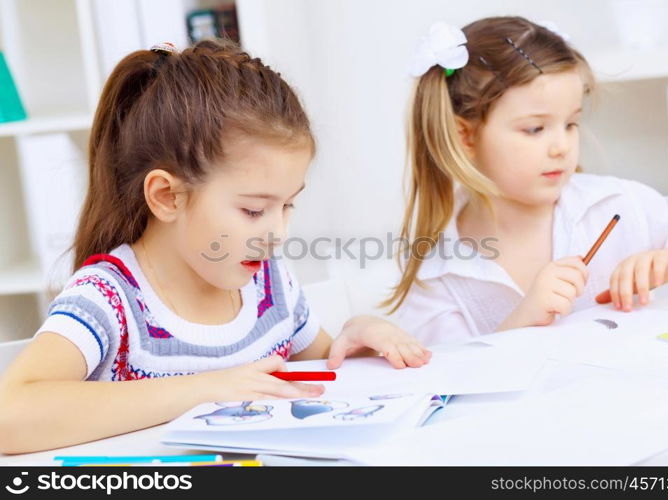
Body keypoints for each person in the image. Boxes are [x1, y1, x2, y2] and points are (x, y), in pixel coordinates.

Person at [0, 39, 430, 454]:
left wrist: (355, 342)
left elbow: (317, 376)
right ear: (168, 196)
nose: (277, 232)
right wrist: (205, 389)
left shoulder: (270, 284)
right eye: (253, 211)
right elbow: (10, 417)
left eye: (288, 205)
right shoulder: (109, 300)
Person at [385, 17, 668, 345]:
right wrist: (522, 321)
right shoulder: (436, 267)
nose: (562, 147)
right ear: (465, 135)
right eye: (535, 129)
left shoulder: (618, 205)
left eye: (571, 124)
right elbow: (446, 380)